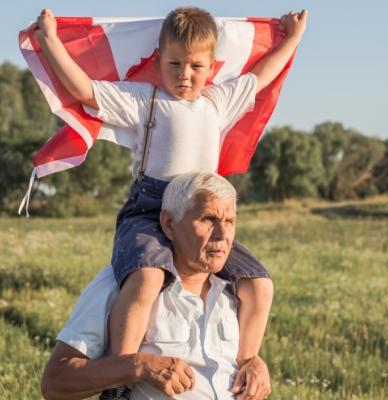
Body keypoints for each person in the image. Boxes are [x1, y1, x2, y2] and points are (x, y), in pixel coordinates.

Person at [35, 6, 306, 398]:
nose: (184, 75)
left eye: (196, 66)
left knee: (259, 284)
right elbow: (85, 90)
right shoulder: (145, 101)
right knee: (147, 277)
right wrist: (51, 41)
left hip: (203, 213)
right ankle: (122, 379)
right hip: (149, 210)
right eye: (174, 63)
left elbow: (260, 77)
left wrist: (292, 40)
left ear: (211, 66)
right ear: (159, 59)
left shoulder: (217, 103)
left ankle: (245, 361)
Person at [41, 172, 273, 400]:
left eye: (229, 222)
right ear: (169, 224)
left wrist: (254, 363)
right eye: (207, 219)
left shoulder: (235, 293)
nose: (222, 235)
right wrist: (138, 366)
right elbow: (55, 382)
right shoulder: (123, 283)